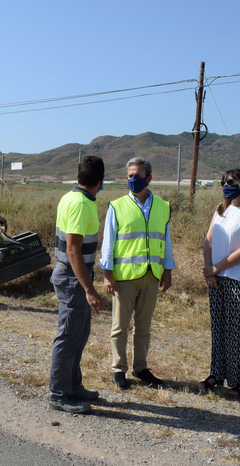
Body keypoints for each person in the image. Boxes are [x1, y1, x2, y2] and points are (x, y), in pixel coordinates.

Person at [100, 157, 174, 390]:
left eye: (138, 176)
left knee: (144, 326)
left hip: (152, 275)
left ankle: (140, 368)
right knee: (120, 326)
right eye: (130, 176)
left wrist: (168, 270)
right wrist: (107, 274)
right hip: (124, 278)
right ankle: (118, 369)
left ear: (149, 179)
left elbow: (166, 241)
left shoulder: (163, 206)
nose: (132, 179)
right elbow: (108, 243)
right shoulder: (117, 206)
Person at [48, 155, 106, 414]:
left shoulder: (72, 197)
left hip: (74, 275)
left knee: (79, 334)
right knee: (69, 336)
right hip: (74, 277)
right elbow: (73, 250)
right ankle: (59, 394)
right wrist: (89, 290)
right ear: (100, 180)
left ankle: (73, 386)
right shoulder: (81, 204)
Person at [200, 169, 240, 399]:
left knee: (239, 332)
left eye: (230, 181)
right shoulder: (221, 209)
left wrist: (216, 268)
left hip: (238, 280)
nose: (226, 185)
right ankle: (217, 373)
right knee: (219, 329)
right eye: (223, 182)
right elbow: (208, 242)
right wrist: (210, 272)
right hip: (217, 279)